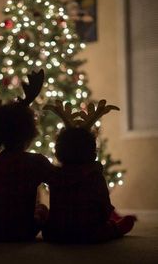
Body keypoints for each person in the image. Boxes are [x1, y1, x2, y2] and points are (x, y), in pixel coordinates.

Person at [0, 70, 54, 241]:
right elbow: (57, 180)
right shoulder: (36, 162)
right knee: (42, 209)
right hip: (25, 230)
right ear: (29, 132)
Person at [42, 100, 136, 243]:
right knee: (114, 227)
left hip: (57, 234)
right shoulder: (94, 176)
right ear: (93, 155)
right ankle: (116, 228)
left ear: (57, 154)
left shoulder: (54, 175)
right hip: (90, 233)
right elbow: (104, 210)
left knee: (43, 214)